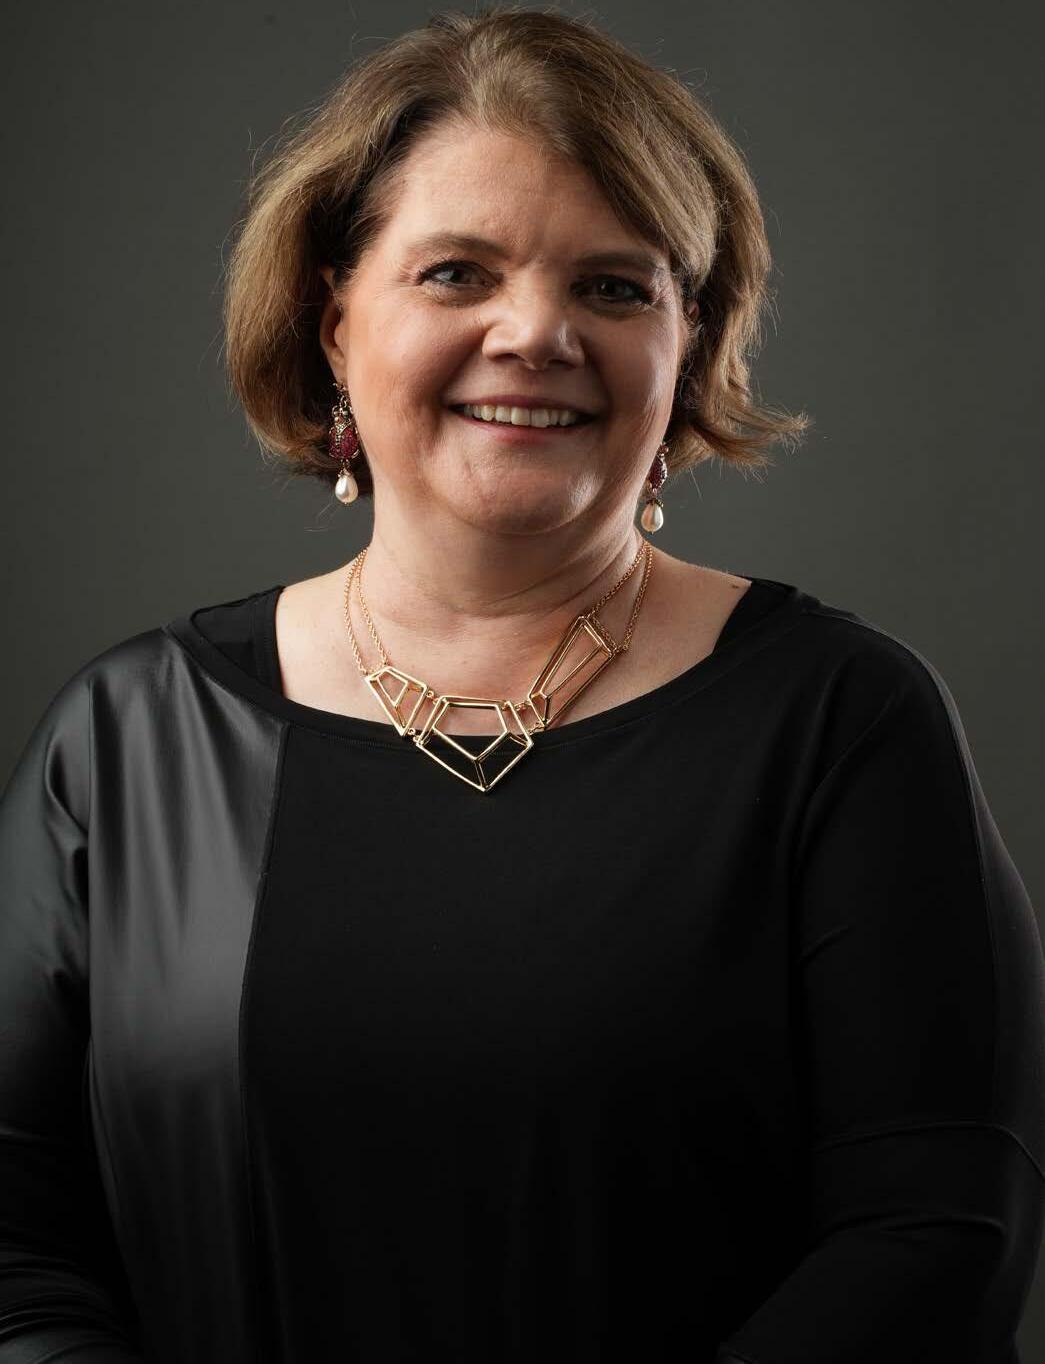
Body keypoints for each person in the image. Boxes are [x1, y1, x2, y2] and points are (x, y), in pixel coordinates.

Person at [1, 8, 1042, 1363]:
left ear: (687, 343)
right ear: (331, 321)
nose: (536, 333)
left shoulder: (840, 720)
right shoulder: (129, 742)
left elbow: (932, 1233)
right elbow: (14, 1242)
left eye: (614, 287)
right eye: (455, 273)